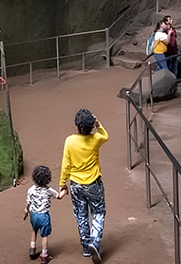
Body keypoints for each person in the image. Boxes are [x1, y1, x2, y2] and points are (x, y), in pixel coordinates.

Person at [60, 108, 108, 263]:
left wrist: (63, 183)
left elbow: (65, 164)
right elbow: (105, 136)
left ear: (77, 125)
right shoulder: (95, 139)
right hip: (93, 183)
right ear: (91, 126)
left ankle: (86, 248)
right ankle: (95, 239)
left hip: (76, 184)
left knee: (81, 215)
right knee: (98, 212)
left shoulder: (69, 141)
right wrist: (98, 123)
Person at [24, 164, 61, 263]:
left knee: (34, 230)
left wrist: (26, 211)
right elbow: (59, 196)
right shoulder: (48, 190)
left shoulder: (30, 190)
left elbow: (28, 202)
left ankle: (32, 248)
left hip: (33, 214)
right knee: (44, 235)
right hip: (43, 215)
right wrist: (64, 190)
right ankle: (44, 256)